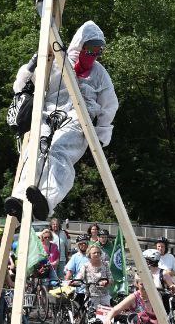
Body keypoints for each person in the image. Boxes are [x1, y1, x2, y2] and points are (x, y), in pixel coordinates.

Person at [6, 21, 119, 219]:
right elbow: (20, 85)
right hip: (48, 111)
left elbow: (109, 104)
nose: (94, 54)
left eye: (98, 50)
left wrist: (102, 131)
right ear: (81, 45)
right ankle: (19, 198)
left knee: (59, 151)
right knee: (36, 149)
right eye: (91, 48)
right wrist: (32, 64)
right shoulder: (58, 61)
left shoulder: (99, 73)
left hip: (79, 117)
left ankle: (47, 201)